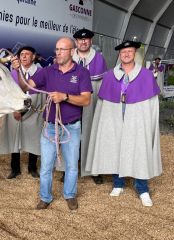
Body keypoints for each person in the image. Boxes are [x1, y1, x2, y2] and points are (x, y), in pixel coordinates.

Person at [12, 37, 92, 210]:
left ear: (72, 52)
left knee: (71, 165)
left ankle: (70, 195)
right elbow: (25, 86)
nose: (58, 52)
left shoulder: (82, 73)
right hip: (49, 126)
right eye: (56, 49)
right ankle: (45, 197)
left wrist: (65, 97)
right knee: (46, 166)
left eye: (62, 49)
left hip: (72, 126)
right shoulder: (47, 71)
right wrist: (18, 71)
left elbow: (86, 100)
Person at [85, 40, 162, 207]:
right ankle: (118, 183)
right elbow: (103, 104)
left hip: (138, 118)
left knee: (140, 149)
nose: (126, 54)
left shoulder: (146, 75)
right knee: (115, 147)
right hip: (114, 116)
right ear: (119, 55)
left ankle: (142, 188)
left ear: (135, 53)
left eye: (129, 51)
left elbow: (152, 103)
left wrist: (149, 121)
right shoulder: (110, 75)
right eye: (123, 52)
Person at [56, 28, 107, 184]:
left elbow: (103, 85)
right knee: (68, 133)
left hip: (91, 99)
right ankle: (66, 168)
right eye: (79, 40)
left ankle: (92, 169)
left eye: (86, 39)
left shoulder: (99, 59)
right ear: (75, 42)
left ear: (90, 41)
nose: (83, 42)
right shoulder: (68, 57)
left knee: (91, 134)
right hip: (70, 99)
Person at [0, 46, 46, 179]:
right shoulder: (12, 72)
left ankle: (32, 167)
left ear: (33, 56)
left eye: (27, 54)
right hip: (15, 108)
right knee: (14, 136)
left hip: (34, 109)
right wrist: (15, 110)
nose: (24, 56)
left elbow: (41, 95)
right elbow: (9, 92)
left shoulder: (40, 71)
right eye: (22, 54)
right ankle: (15, 169)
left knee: (34, 135)